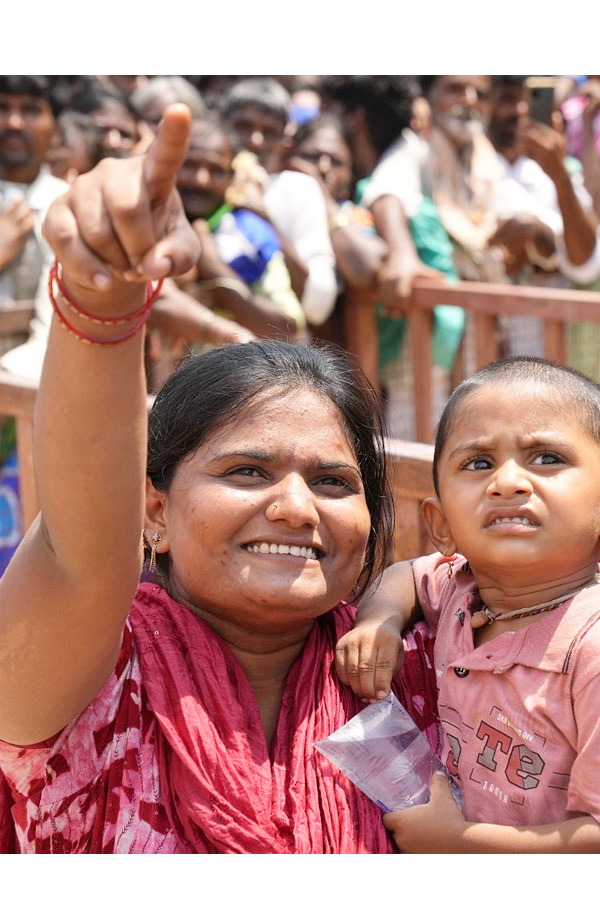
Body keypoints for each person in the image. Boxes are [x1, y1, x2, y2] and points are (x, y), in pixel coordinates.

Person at [0, 105, 439, 853]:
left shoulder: (414, 669)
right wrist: (103, 295)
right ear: (155, 512)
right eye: (247, 471)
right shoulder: (93, 676)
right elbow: (82, 553)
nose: (297, 508)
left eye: (334, 483)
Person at [336, 356, 600, 853]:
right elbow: (405, 577)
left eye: (547, 458)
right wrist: (380, 621)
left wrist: (461, 844)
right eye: (478, 463)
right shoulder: (462, 589)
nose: (507, 482)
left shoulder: (590, 650)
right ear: (441, 526)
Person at [320, 75, 465, 440]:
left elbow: (387, 199)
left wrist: (401, 256)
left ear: (355, 118)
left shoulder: (394, 164)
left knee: (411, 447)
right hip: (429, 331)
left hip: (418, 334)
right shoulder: (410, 151)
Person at [222, 78, 338, 330]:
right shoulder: (204, 183)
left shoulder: (296, 189)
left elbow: (318, 304)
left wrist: (263, 218)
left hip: (278, 352)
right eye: (243, 127)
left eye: (269, 132)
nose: (255, 140)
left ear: (285, 141)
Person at [0, 75, 68, 379]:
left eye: (30, 110)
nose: (14, 122)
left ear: (54, 128)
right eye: (1, 108)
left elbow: (57, 331)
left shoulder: (70, 203)